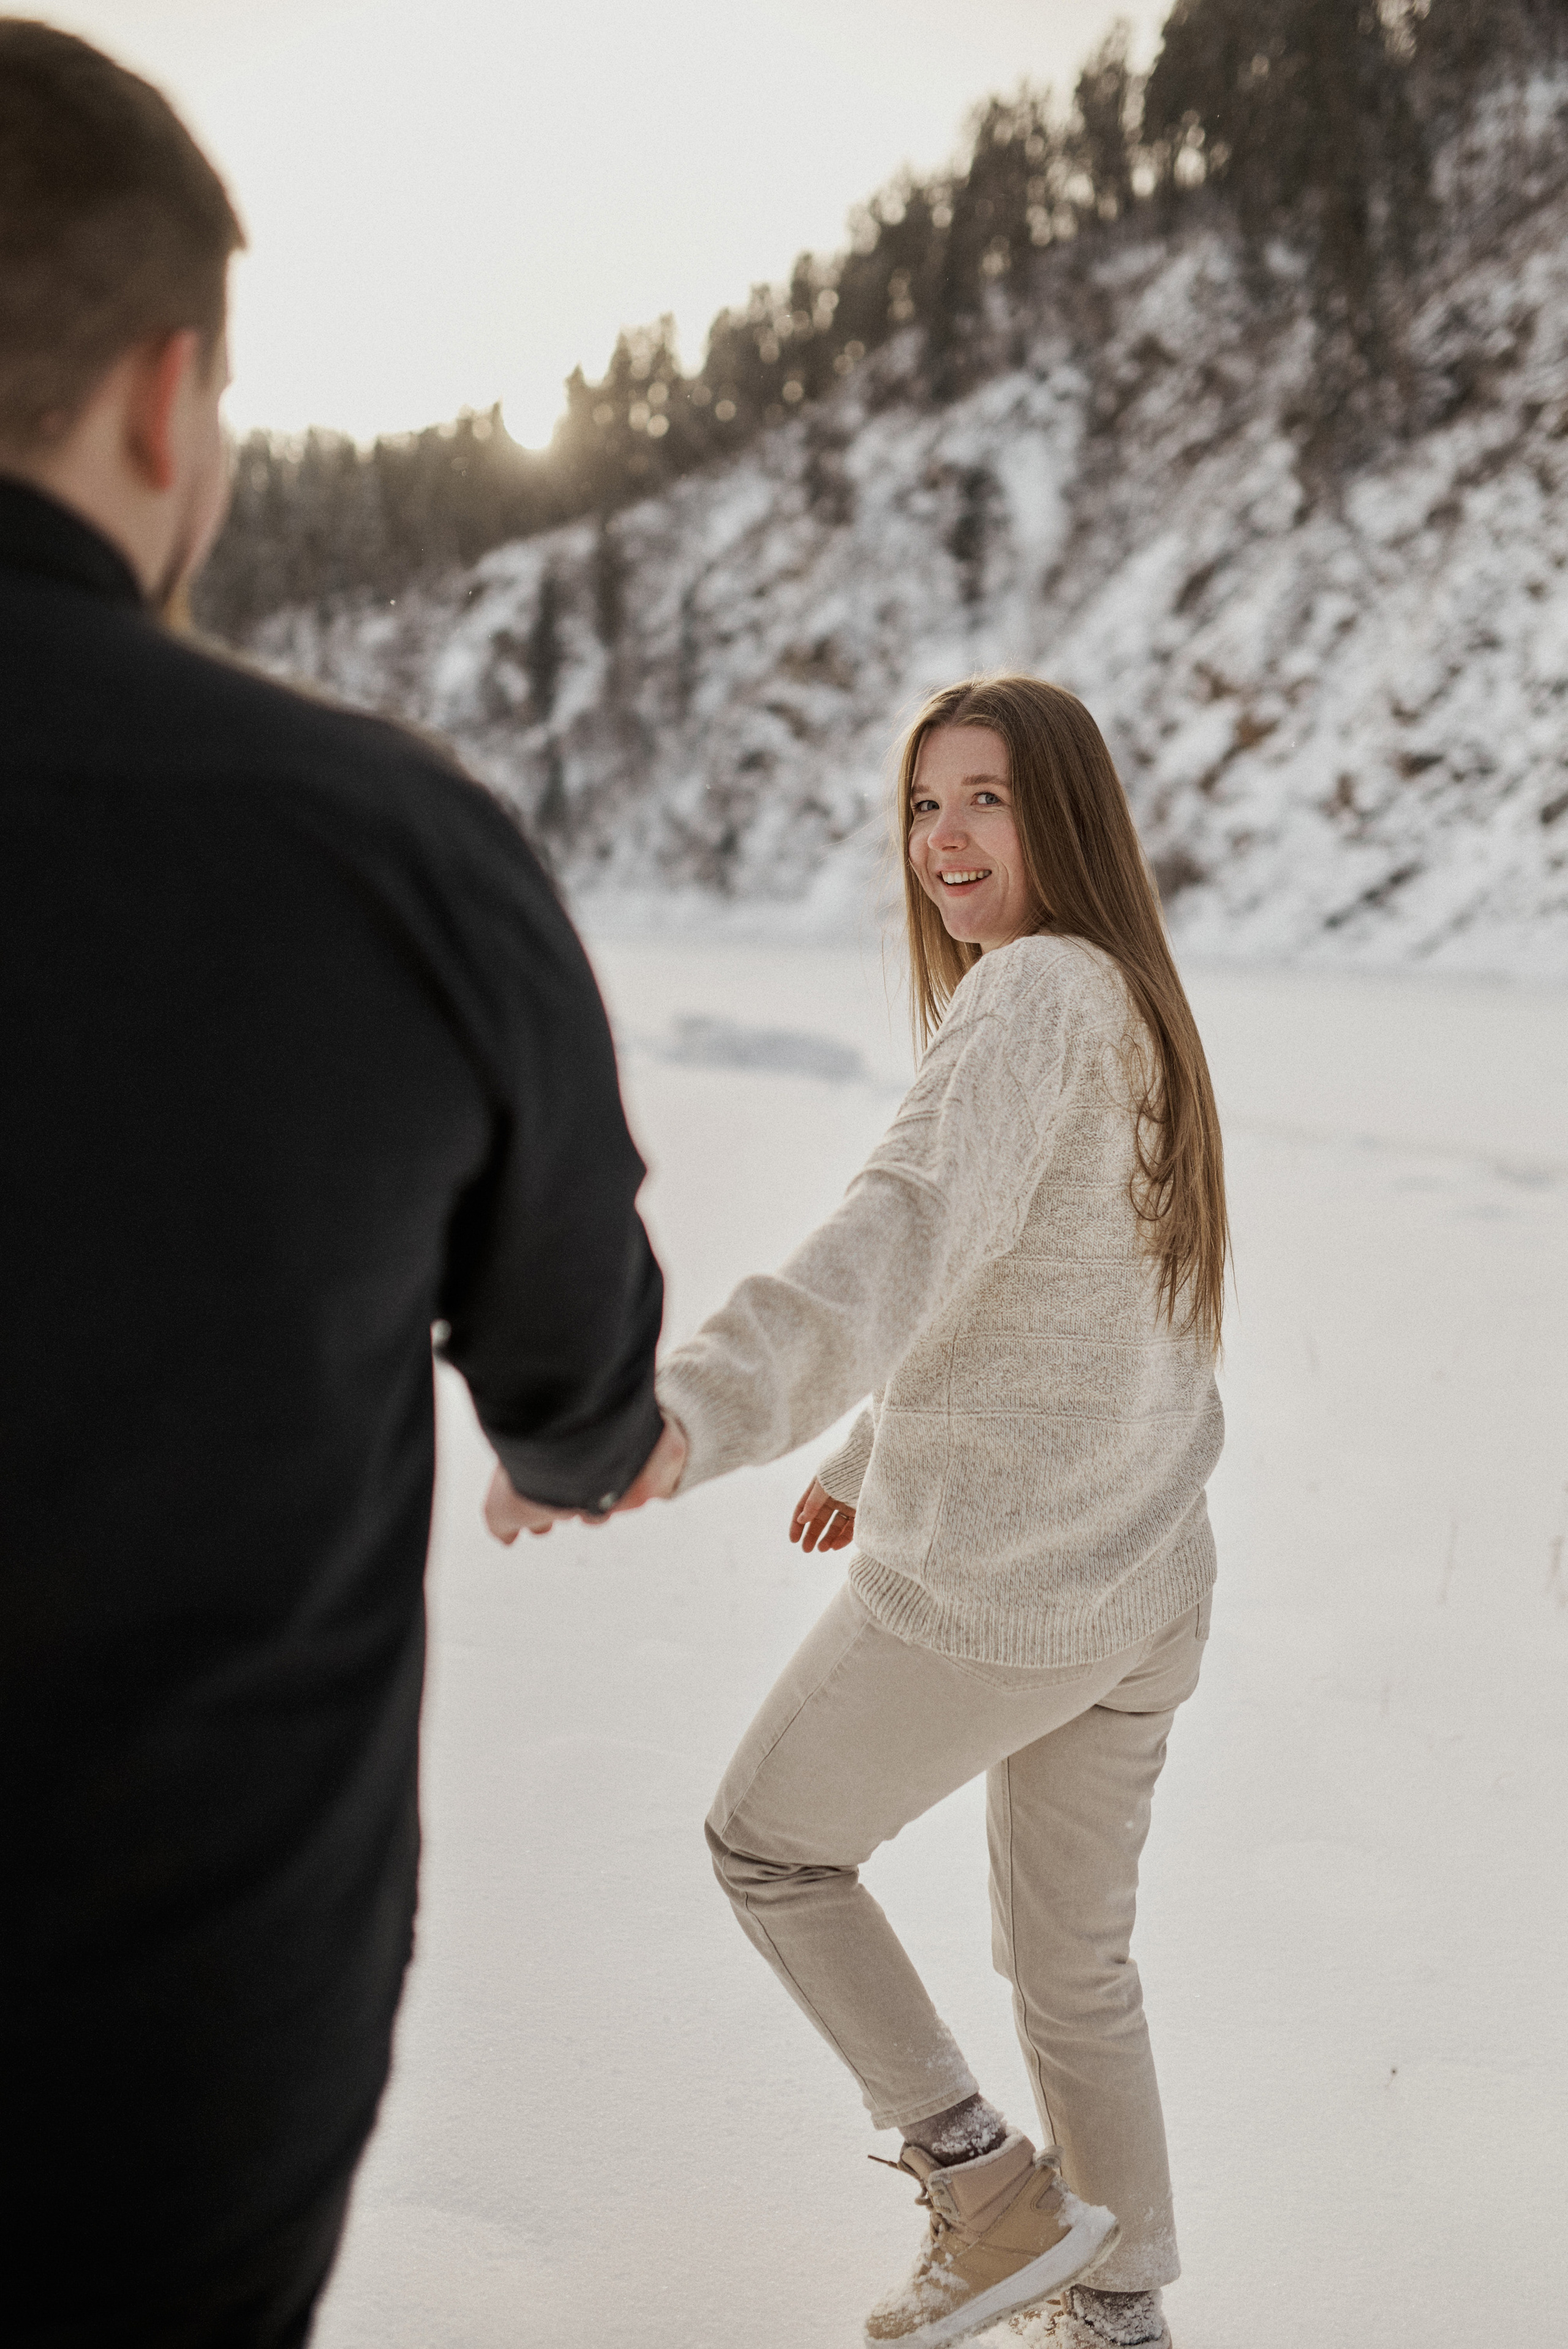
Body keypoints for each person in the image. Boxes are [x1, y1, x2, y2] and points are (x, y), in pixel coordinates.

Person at [0, 24, 663, 2346]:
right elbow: (578, 1384)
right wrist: (602, 1449)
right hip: (141, 2107)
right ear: (168, 401)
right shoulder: (386, 861)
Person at [636, 676, 1229, 2349]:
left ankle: (983, 2185)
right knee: (1075, 1969)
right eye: (923, 805)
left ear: (1068, 820)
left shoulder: (1030, 997)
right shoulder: (1129, 1001)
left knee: (767, 1843)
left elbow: (897, 1235)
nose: (945, 841)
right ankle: (1117, 2317)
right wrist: (867, 1450)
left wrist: (693, 1409)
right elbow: (1048, 1291)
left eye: (988, 801)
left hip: (1010, 1599)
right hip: (1146, 1581)